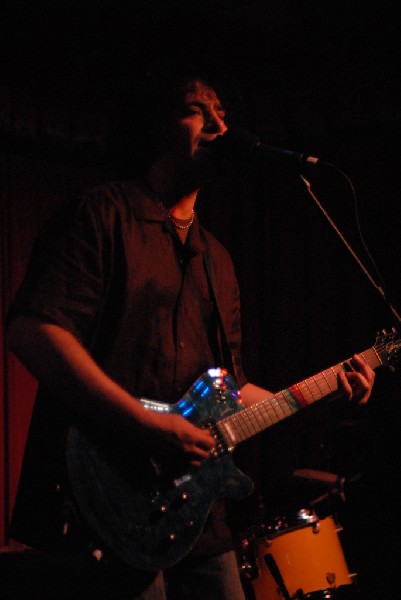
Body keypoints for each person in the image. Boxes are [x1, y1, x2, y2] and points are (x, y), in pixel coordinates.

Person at [6, 66, 375, 599]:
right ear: (159, 126)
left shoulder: (217, 261)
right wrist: (145, 425)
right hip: (105, 506)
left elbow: (229, 389)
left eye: (223, 114)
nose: (220, 125)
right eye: (198, 110)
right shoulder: (100, 217)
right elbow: (34, 330)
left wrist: (323, 403)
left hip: (200, 519)